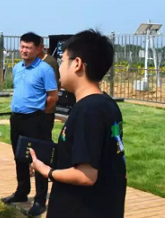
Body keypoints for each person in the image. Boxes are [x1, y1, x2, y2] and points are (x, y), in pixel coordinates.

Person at [30, 30, 127, 218]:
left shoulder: (88, 110)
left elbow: (86, 175)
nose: (59, 68)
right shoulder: (106, 104)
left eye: (62, 61)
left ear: (77, 64)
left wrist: (47, 171)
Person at [1, 32, 58, 217]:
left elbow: (53, 96)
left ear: (38, 49)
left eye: (28, 47)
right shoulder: (17, 68)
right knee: (19, 157)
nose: (24, 50)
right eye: (22, 46)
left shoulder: (45, 69)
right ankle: (21, 191)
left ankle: (40, 200)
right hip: (17, 118)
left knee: (38, 159)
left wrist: (39, 112)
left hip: (36, 119)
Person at [38, 41, 60, 141]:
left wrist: (47, 105)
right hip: (33, 109)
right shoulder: (30, 61)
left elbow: (55, 85)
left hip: (46, 109)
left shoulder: (50, 62)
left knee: (44, 137)